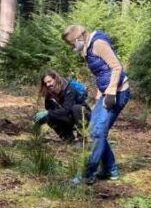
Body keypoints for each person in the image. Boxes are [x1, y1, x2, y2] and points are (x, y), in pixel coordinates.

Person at [62, 25, 130, 184]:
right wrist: (99, 98)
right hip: (106, 93)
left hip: (118, 92)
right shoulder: (88, 48)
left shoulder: (98, 43)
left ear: (79, 37)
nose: (73, 47)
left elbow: (116, 67)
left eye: (72, 44)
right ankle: (109, 169)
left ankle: (88, 175)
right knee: (94, 130)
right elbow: (102, 74)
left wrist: (111, 92)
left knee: (97, 132)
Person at [34, 70, 90, 143]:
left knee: (76, 108)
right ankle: (68, 138)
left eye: (49, 81)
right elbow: (50, 110)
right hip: (67, 118)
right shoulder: (49, 94)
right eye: (45, 83)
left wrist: (48, 113)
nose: (47, 85)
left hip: (82, 116)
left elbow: (67, 109)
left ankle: (82, 138)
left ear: (55, 79)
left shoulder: (69, 89)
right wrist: (39, 121)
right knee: (49, 116)